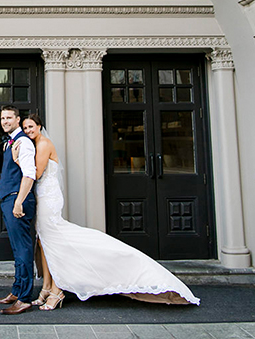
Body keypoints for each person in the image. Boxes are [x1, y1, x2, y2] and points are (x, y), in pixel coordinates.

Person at [16, 112, 201, 310]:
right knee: (44, 243)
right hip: (43, 196)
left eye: (31, 127)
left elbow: (35, 173)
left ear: (39, 126)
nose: (28, 131)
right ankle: (46, 288)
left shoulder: (43, 144)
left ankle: (56, 290)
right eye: (25, 128)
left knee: (53, 241)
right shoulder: (36, 144)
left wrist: (17, 160)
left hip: (49, 198)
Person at [0, 104, 37, 315]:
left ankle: (25, 297)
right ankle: (17, 291)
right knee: (17, 249)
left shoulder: (23, 143)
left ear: (18, 120)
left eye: (9, 117)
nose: (5, 121)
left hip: (17, 201)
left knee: (23, 249)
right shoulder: (11, 142)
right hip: (9, 199)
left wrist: (19, 202)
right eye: (2, 118)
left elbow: (29, 175)